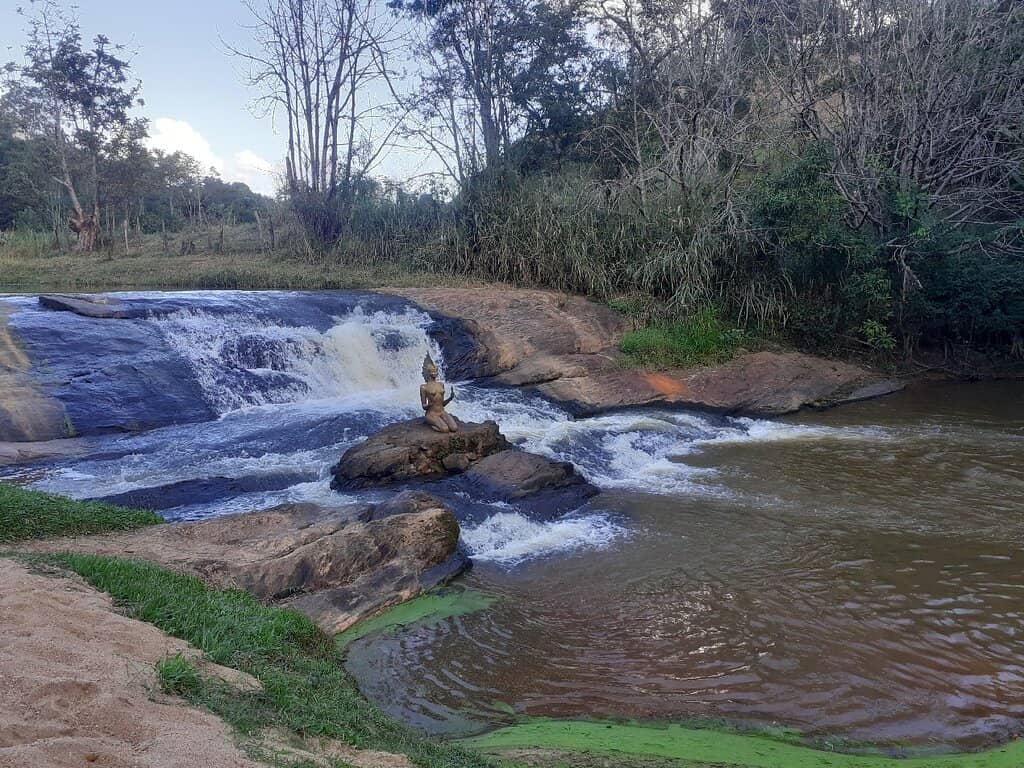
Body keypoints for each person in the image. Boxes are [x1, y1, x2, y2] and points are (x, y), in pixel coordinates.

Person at [420, 354, 458, 433]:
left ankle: (440, 422)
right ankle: (431, 424)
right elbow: (424, 406)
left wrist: (450, 398)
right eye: (433, 371)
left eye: (436, 371)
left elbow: (442, 404)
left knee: (454, 428)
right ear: (428, 373)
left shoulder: (441, 384)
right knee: (445, 429)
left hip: (442, 411)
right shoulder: (424, 387)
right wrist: (429, 405)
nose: (435, 373)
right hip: (431, 413)